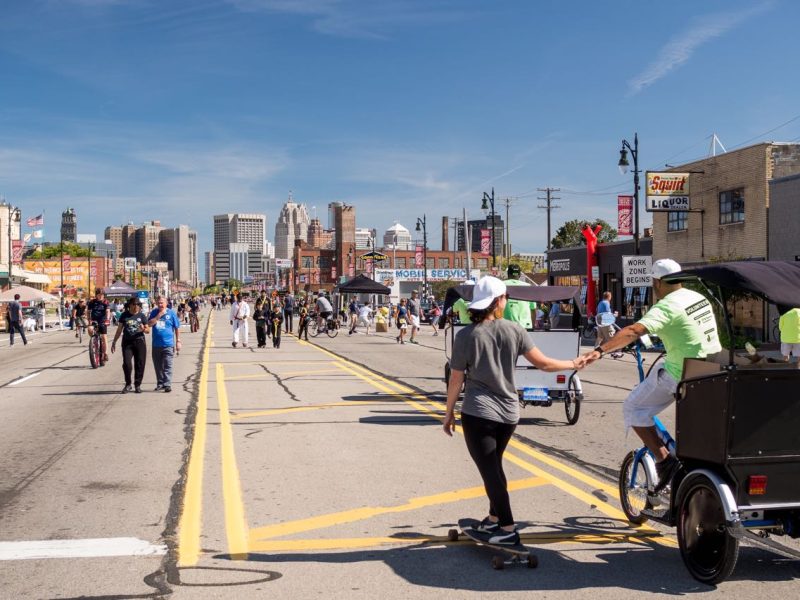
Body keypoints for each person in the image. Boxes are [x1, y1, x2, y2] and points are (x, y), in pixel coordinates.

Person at [443, 276, 587, 546]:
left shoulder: (465, 336)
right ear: (498, 302)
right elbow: (543, 364)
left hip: (479, 414)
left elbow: (456, 379)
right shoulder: (515, 330)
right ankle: (494, 519)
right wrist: (573, 362)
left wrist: (448, 412)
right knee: (494, 467)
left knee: (490, 472)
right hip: (509, 415)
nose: (506, 301)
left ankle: (507, 527)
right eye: (505, 297)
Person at [581, 259, 722, 492]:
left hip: (682, 374)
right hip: (710, 370)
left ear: (657, 282)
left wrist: (599, 351)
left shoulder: (666, 306)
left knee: (633, 408)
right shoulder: (698, 298)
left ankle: (665, 461)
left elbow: (635, 330)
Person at [111, 297, 149, 393]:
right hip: (127, 343)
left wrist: (143, 329)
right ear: (130, 305)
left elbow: (148, 330)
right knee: (127, 364)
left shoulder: (142, 316)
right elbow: (119, 330)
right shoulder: (124, 315)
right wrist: (114, 342)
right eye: (134, 304)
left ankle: (137, 385)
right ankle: (128, 384)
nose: (136, 306)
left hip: (140, 342)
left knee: (140, 364)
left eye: (138, 305)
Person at [147, 295, 181, 392]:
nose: (160, 304)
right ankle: (160, 383)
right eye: (159, 303)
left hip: (168, 344)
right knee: (158, 366)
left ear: (166, 303)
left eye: (162, 302)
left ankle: (167, 384)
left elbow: (177, 327)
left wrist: (178, 341)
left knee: (167, 365)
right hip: (156, 344)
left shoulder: (171, 313)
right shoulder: (154, 312)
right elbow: (149, 324)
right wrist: (159, 315)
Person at [503, 264, 536, 329]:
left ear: (508, 274)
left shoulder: (500, 285)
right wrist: (533, 326)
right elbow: (533, 310)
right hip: (525, 326)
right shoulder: (528, 287)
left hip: (505, 327)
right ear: (520, 275)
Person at [87, 288, 111, 363]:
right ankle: (93, 341)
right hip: (94, 320)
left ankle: (106, 353)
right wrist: (89, 320)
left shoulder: (105, 302)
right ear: (96, 295)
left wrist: (107, 319)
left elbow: (108, 311)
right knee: (90, 329)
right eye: (99, 294)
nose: (101, 296)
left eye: (102, 295)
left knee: (104, 336)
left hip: (103, 321)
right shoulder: (92, 302)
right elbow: (88, 312)